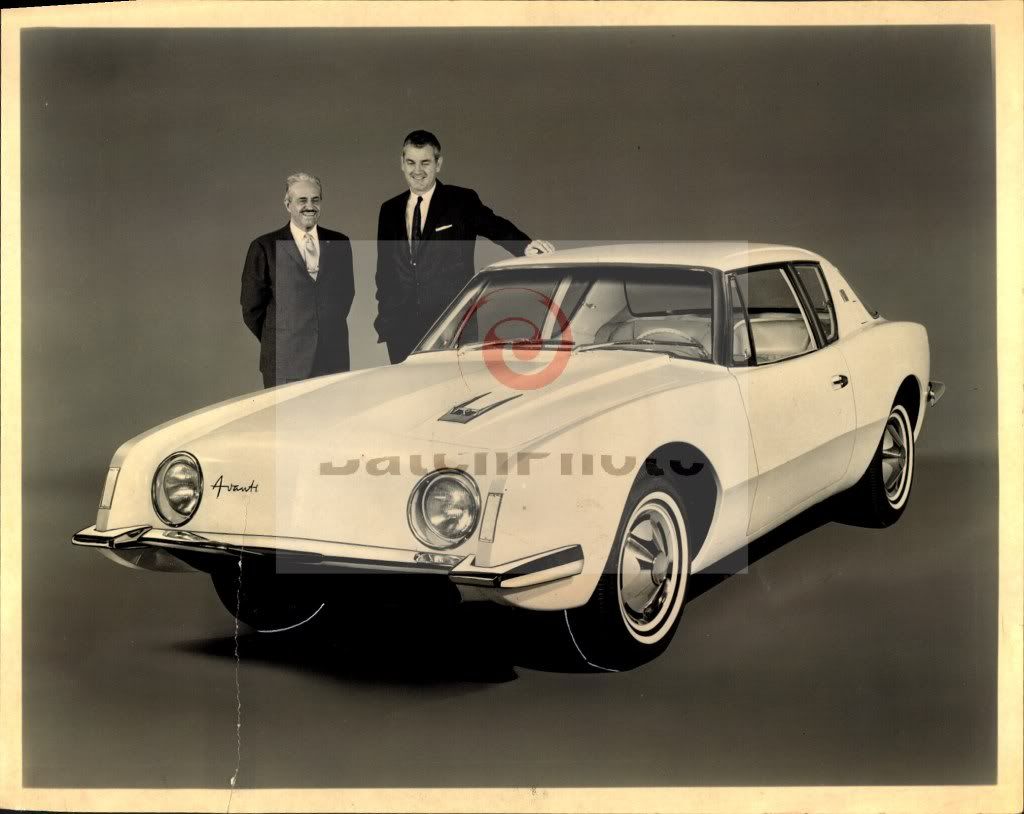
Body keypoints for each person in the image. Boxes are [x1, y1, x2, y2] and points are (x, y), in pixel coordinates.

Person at [374, 130, 555, 364]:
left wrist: (526, 246)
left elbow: (495, 226)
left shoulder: (460, 202)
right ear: (401, 163)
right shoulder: (389, 210)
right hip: (401, 329)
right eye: (411, 162)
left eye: (425, 163)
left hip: (453, 326)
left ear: (438, 164)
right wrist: (387, 316)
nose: (417, 171)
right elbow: (385, 270)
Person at [241, 173, 355, 388]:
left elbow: (345, 296)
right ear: (288, 204)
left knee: (332, 421)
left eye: (315, 199)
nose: (309, 206)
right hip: (285, 361)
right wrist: (282, 338)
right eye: (302, 200)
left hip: (332, 360)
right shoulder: (264, 247)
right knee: (290, 422)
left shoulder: (340, 242)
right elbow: (251, 309)